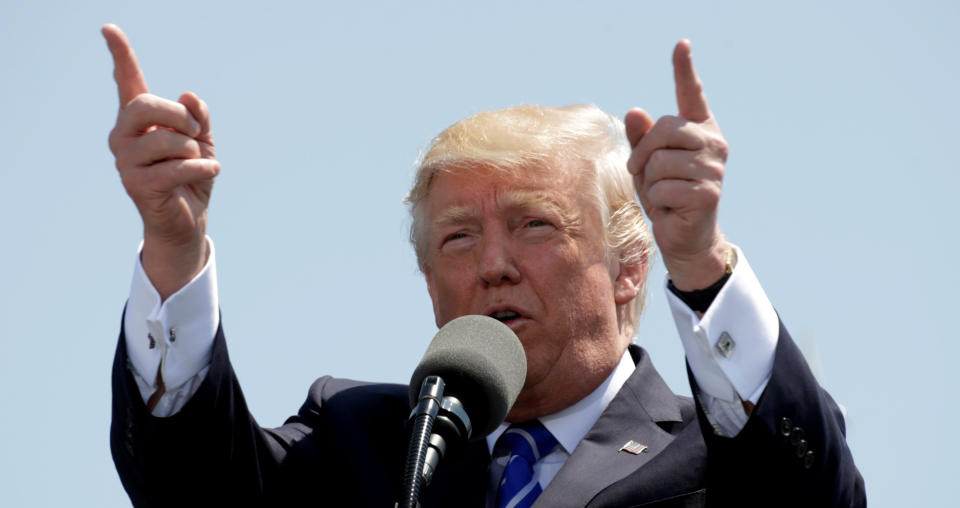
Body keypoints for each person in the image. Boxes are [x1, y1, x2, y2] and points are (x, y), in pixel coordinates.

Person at [103, 24, 864, 507]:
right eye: (458, 240)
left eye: (535, 225)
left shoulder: (715, 451)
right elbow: (192, 490)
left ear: (629, 267)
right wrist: (174, 249)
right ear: (432, 284)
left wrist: (700, 263)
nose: (493, 264)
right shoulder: (360, 437)